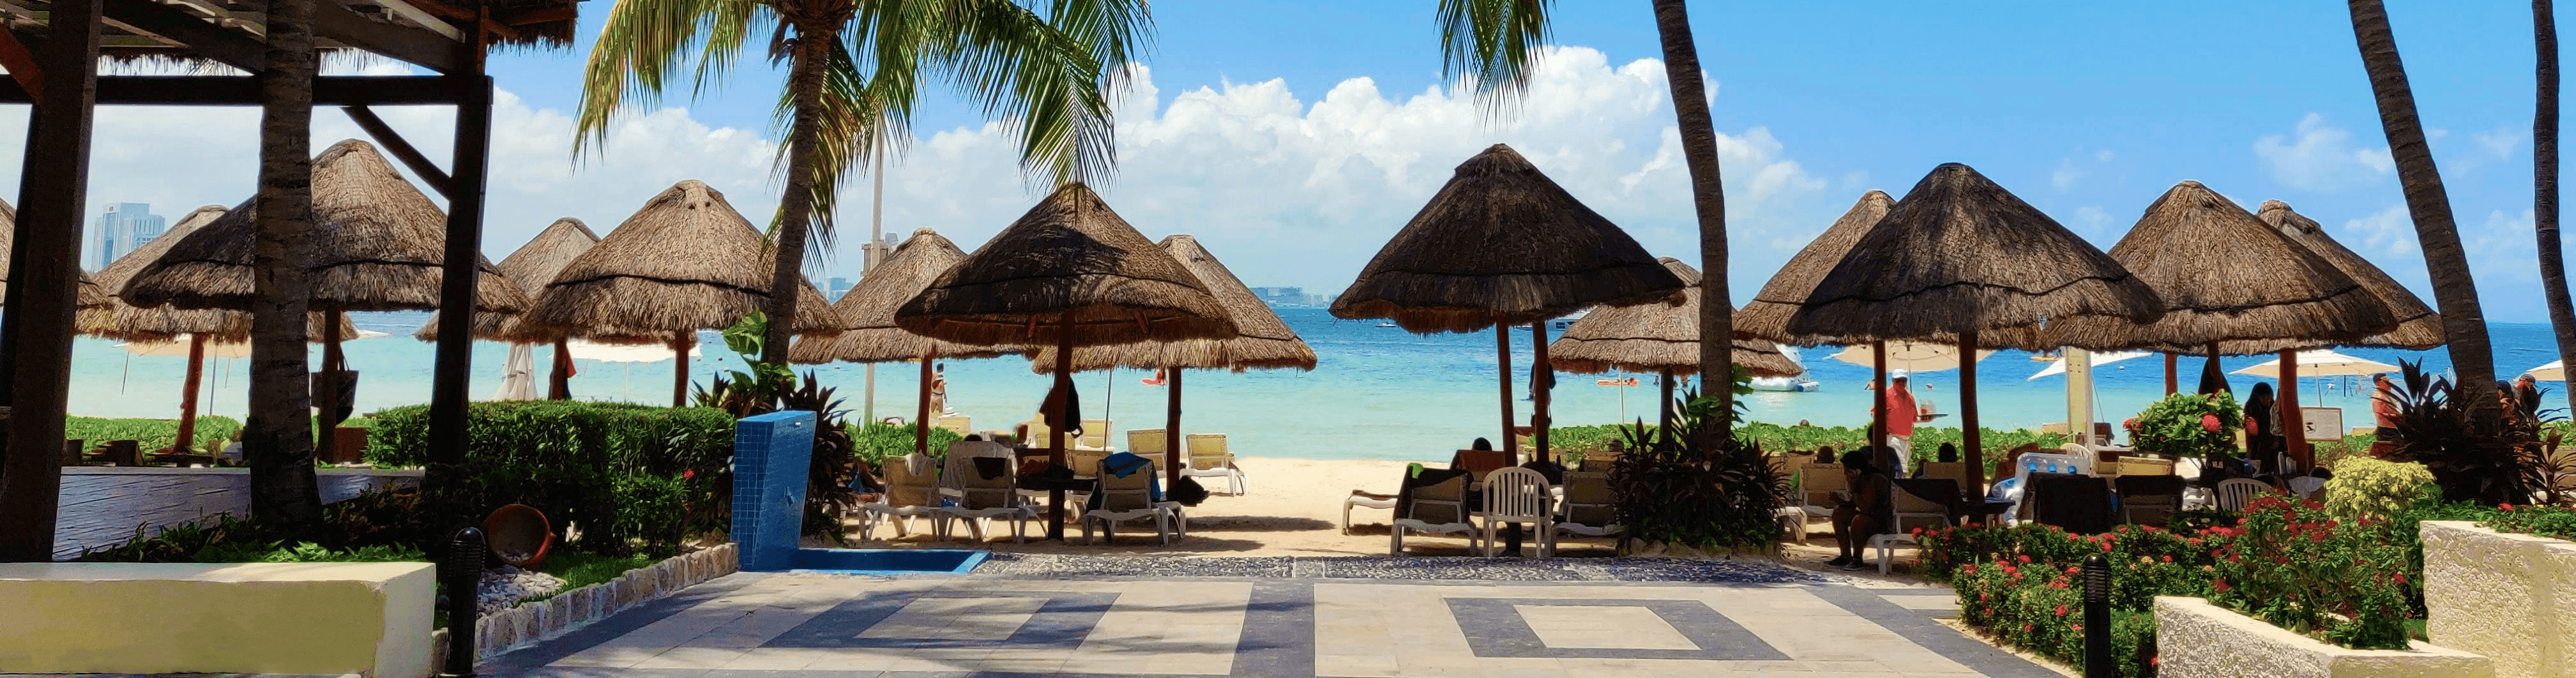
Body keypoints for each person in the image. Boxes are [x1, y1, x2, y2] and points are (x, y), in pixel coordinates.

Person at [1828, 449, 1894, 571]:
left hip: (1881, 523)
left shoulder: (1875, 480)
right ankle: (1845, 556)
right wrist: (1838, 500)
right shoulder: (1861, 480)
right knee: (1838, 513)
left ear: (1857, 471)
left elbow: (1867, 509)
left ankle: (1857, 558)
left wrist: (1854, 490)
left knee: (1859, 520)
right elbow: (1852, 506)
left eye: (1847, 471)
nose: (1845, 474)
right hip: (1869, 518)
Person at [1871, 370, 1920, 476]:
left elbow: (1914, 418)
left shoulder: (1910, 397)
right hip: (1892, 439)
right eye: (1898, 381)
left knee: (1901, 472)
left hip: (1906, 440)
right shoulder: (1886, 395)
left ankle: (1897, 487)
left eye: (1904, 380)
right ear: (1893, 381)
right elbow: (1874, 414)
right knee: (1902, 469)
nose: (1901, 383)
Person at [2245, 382, 2280, 474]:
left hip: (2269, 443)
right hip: (2258, 444)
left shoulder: (2271, 406)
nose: (2268, 399)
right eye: (2265, 397)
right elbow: (2252, 431)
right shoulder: (2253, 408)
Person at [2372, 373, 2400, 437]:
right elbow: (2380, 416)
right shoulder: (2379, 397)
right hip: (2387, 431)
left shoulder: (2384, 395)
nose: (2389, 384)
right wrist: (2397, 416)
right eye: (2386, 382)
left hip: (2390, 429)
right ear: (2379, 383)